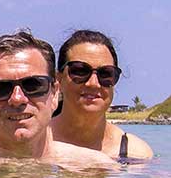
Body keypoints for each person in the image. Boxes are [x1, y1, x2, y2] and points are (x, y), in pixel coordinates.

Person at [0, 30, 116, 168]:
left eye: (33, 85)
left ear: (54, 94)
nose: (17, 99)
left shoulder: (98, 169)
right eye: (0, 89)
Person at [50, 30, 154, 161]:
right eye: (80, 71)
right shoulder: (33, 141)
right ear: (58, 79)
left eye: (105, 74)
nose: (93, 83)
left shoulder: (135, 153)